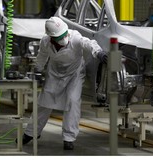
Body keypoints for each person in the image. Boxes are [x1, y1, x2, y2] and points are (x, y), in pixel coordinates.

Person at [21, 16, 108, 150]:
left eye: (64, 34)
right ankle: (31, 133)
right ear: (51, 37)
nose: (64, 38)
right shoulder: (45, 42)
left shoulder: (75, 38)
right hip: (54, 74)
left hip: (74, 74)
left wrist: (100, 53)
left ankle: (69, 137)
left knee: (73, 101)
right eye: (59, 36)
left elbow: (90, 43)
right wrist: (38, 70)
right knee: (43, 103)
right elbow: (42, 56)